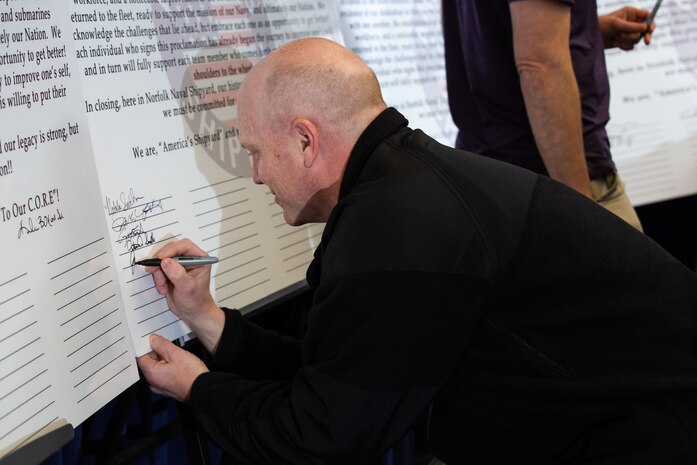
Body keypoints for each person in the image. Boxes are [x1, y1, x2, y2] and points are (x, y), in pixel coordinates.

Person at [137, 38, 697, 464]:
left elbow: (323, 435)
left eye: (257, 152)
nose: (255, 175)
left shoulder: (394, 225)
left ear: (306, 141)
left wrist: (199, 390)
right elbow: (340, 374)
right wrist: (207, 321)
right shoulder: (402, 184)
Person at [441, 0, 656, 231]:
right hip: (549, 183)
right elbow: (540, 66)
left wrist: (587, 30)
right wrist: (581, 213)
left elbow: (492, 30)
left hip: (488, 175)